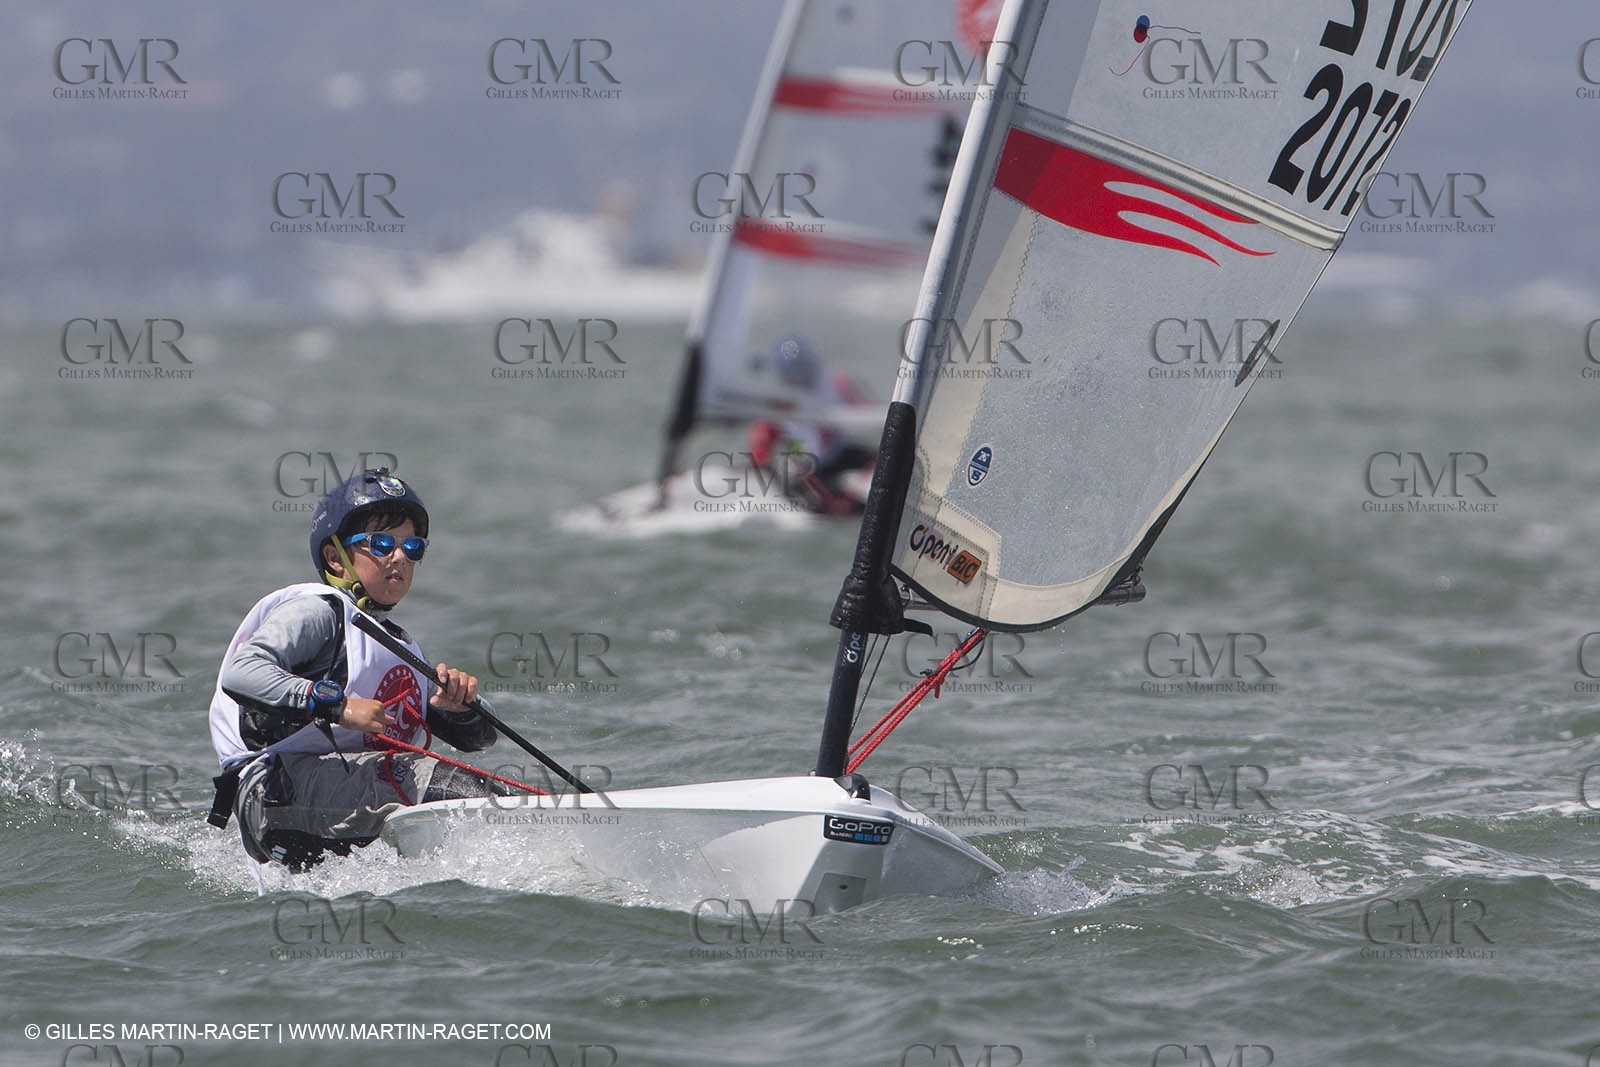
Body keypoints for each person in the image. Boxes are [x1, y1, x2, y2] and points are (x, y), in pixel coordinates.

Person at [206, 468, 505, 872]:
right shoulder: (319, 611)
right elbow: (242, 672)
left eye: (412, 547)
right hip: (277, 795)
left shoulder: (395, 643)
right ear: (336, 558)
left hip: (339, 799)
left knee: (479, 788)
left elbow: (482, 740)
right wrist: (336, 705)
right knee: (453, 789)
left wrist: (459, 708)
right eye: (381, 544)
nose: (399, 557)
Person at [747, 335, 875, 516]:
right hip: (801, 459)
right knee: (795, 471)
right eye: (796, 373)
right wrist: (762, 466)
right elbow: (761, 444)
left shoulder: (837, 384)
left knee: (880, 458)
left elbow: (869, 413)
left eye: (804, 370)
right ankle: (831, 504)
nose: (801, 377)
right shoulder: (777, 401)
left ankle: (851, 500)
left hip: (835, 455)